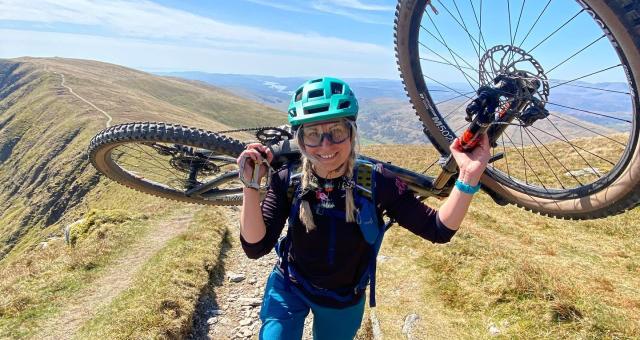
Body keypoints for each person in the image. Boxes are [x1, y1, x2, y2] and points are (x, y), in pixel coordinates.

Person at [237, 77, 490, 339]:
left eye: (336, 130)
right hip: (289, 285)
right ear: (300, 141)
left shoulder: (378, 180)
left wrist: (469, 176)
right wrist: (251, 184)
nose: (326, 144)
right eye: (313, 134)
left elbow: (437, 230)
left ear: (352, 132)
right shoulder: (287, 179)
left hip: (342, 300)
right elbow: (255, 247)